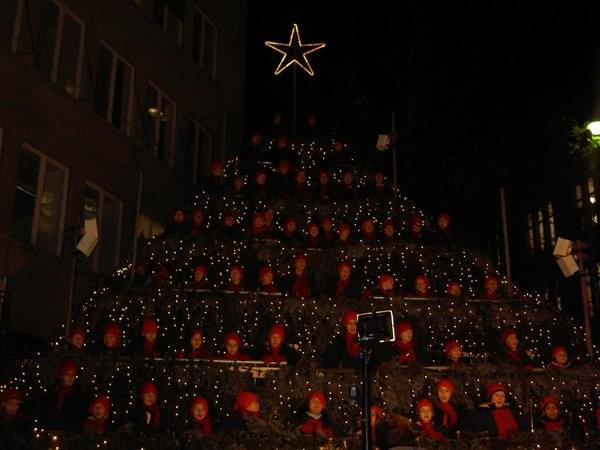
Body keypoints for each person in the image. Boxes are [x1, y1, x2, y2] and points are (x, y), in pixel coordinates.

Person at [40, 360, 88, 432]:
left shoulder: (79, 394)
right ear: (62, 375)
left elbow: (80, 416)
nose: (70, 377)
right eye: (67, 374)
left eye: (73, 375)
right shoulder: (53, 391)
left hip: (71, 433)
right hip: (52, 430)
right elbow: (47, 411)